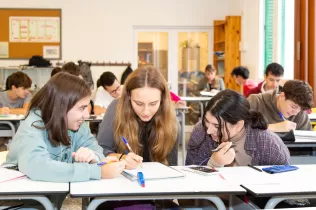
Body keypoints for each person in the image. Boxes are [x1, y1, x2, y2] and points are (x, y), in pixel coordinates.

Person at [5, 72, 125, 182]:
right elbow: (38, 166)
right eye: (82, 108)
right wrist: (96, 171)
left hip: (48, 199)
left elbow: (98, 151)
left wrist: (93, 156)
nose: (87, 115)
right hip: (18, 201)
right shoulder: (33, 125)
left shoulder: (78, 124)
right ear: (61, 107)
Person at [97, 65, 179, 169]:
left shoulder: (172, 123)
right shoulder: (116, 109)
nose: (146, 111)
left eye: (153, 104)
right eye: (139, 103)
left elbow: (171, 168)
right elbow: (100, 150)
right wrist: (122, 158)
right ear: (129, 97)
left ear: (162, 99)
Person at [186, 89, 290, 167]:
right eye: (207, 121)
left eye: (217, 126)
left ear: (239, 125)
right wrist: (213, 163)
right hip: (213, 196)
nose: (209, 130)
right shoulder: (200, 131)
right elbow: (189, 186)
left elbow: (285, 187)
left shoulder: (268, 144)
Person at [247, 80, 313, 132]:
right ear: (282, 96)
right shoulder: (256, 101)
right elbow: (240, 130)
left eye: (300, 109)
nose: (295, 113)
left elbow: (309, 140)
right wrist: (272, 127)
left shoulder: (300, 112)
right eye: (293, 107)